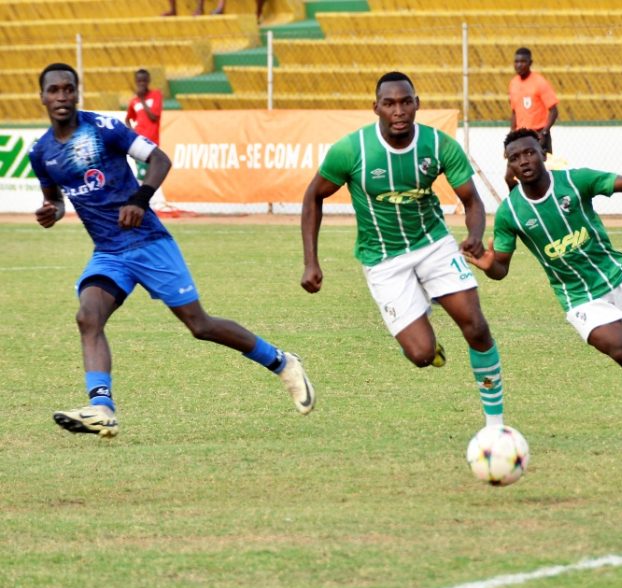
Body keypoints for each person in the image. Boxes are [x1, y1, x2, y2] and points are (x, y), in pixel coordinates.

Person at [29, 62, 315, 438]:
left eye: (69, 88)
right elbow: (56, 200)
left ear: (77, 92)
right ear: (42, 96)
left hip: (149, 242)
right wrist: (52, 212)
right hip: (109, 252)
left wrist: (140, 199)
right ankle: (101, 408)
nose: (62, 96)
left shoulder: (104, 128)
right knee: (88, 317)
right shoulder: (41, 152)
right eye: (54, 90)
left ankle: (282, 362)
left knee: (200, 325)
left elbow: (160, 159)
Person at [300, 71, 506, 429]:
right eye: (390, 103)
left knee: (476, 327)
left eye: (406, 102)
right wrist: (311, 262)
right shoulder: (352, 150)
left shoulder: (439, 145)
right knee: (421, 354)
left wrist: (475, 234)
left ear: (417, 104)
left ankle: (495, 425)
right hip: (383, 259)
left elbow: (472, 201)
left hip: (434, 245)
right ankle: (420, 315)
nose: (399, 110)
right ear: (376, 107)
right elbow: (313, 196)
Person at [467, 128, 622, 425]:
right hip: (579, 298)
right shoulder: (510, 213)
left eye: (529, 152)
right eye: (514, 158)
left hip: (618, 278)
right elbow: (501, 269)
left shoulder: (575, 181)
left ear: (544, 154)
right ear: (510, 165)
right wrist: (487, 264)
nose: (524, 161)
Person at [505, 48, 560, 191]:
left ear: (530, 63)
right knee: (509, 177)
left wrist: (544, 132)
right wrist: (510, 137)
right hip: (520, 137)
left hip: (538, 135)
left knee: (544, 177)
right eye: (516, 61)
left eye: (523, 61)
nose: (519, 65)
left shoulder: (539, 82)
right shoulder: (513, 83)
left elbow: (553, 110)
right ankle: (517, 201)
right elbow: (514, 112)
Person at [125, 69, 162, 182]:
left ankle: (142, 191)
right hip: (138, 141)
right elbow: (128, 119)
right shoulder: (134, 101)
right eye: (139, 81)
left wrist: (142, 99)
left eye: (144, 81)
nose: (142, 83)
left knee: (147, 173)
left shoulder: (156, 95)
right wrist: (132, 131)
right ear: (136, 82)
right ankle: (144, 192)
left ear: (148, 81)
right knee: (143, 173)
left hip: (151, 141)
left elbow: (154, 117)